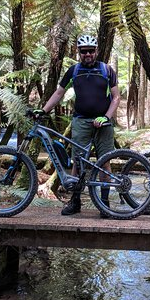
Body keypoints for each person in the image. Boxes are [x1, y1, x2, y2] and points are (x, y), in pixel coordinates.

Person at [38, 34, 120, 216]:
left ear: (96, 51)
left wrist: (106, 117)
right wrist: (43, 111)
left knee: (105, 162)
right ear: (79, 52)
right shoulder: (73, 71)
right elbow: (59, 93)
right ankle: (75, 202)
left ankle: (104, 204)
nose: (88, 54)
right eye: (84, 52)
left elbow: (116, 97)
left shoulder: (106, 70)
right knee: (78, 163)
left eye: (91, 51)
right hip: (81, 121)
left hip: (103, 123)